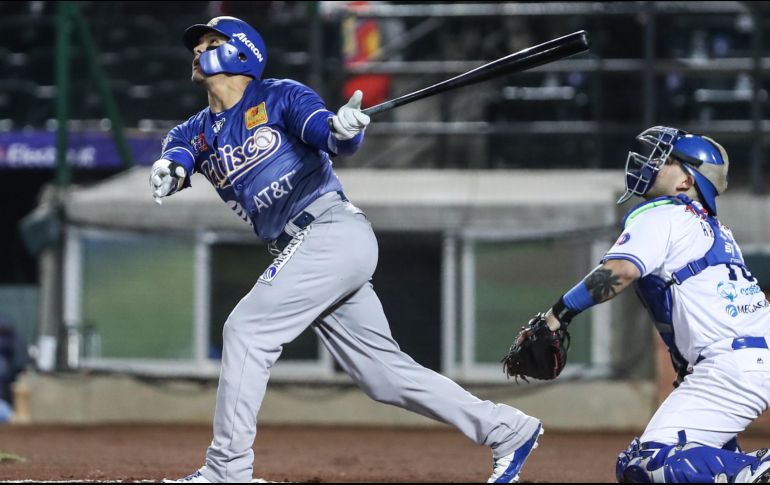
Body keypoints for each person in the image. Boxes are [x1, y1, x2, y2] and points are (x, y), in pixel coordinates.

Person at [152, 16, 542, 484]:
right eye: (195, 45)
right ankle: (508, 429)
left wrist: (346, 127)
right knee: (384, 375)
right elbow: (177, 156)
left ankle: (227, 470)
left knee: (246, 330)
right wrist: (168, 172)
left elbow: (330, 136)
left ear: (241, 51)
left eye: (210, 42)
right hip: (302, 247)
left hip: (331, 231)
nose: (197, 51)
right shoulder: (193, 130)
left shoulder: (280, 96)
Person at [519, 126, 770, 483]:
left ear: (687, 181)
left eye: (666, 160)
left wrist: (557, 316)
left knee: (646, 464)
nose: (651, 164)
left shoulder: (662, 213)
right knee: (707, 464)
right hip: (747, 360)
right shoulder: (715, 230)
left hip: (729, 365)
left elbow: (620, 270)